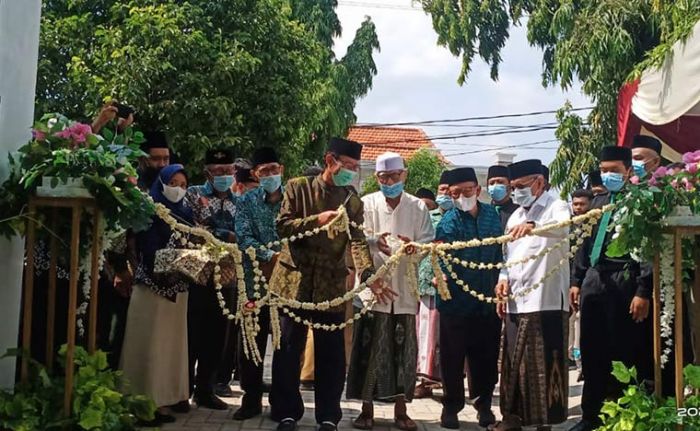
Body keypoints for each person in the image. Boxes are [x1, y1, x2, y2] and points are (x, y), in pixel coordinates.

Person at [270, 137, 395, 431]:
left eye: (355, 167)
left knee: (332, 356)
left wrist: (368, 277)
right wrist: (317, 220)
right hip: (294, 283)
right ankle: (286, 412)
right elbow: (283, 227)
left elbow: (359, 242)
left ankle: (328, 417)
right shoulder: (297, 187)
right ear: (330, 161)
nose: (351, 172)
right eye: (347, 165)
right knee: (288, 349)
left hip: (331, 287)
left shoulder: (352, 200)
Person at [346, 152, 434, 431]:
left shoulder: (417, 207)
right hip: (374, 289)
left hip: (405, 292)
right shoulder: (366, 203)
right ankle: (366, 410)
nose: (389, 182)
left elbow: (429, 242)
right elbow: (355, 239)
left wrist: (414, 247)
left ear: (404, 176)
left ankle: (401, 410)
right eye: (384, 177)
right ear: (377, 178)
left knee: (404, 354)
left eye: (395, 176)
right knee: (368, 350)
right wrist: (374, 243)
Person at [568, 147, 653, 431]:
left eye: (614, 170)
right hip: (595, 280)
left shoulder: (640, 201)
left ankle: (623, 415)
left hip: (625, 281)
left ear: (628, 171)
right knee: (592, 350)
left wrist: (643, 289)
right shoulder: (597, 202)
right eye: (604, 170)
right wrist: (576, 281)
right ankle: (590, 416)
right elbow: (583, 244)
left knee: (624, 349)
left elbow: (647, 247)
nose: (608, 175)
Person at [494, 159, 571, 431]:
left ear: (539, 182)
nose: (515, 193)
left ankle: (545, 423)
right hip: (516, 300)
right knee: (513, 362)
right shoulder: (515, 216)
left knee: (543, 363)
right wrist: (502, 280)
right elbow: (507, 256)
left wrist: (535, 226)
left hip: (546, 300)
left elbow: (564, 227)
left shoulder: (557, 206)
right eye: (513, 188)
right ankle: (512, 418)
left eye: (520, 186)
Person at [120, 164, 193, 426]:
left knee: (168, 350)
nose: (179, 189)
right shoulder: (148, 211)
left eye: (183, 185)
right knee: (148, 348)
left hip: (177, 291)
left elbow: (195, 241)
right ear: (162, 183)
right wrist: (189, 260)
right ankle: (140, 404)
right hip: (151, 289)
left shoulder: (186, 212)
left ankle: (163, 401)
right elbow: (148, 253)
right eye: (173, 182)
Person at [434, 167, 503, 429]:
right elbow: (441, 259)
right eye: (456, 193)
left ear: (478, 190)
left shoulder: (493, 218)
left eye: (467, 191)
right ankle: (451, 407)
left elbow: (500, 252)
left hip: (487, 301)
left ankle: (484, 406)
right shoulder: (448, 222)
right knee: (452, 358)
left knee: (485, 357)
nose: (462, 196)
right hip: (455, 302)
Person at [233, 147, 285, 420]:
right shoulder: (246, 200)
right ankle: (250, 399)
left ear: (282, 170)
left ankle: (281, 402)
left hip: (287, 285)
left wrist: (283, 259)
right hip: (253, 282)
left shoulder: (294, 200)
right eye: (263, 172)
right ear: (255, 174)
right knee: (250, 342)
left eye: (273, 170)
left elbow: (300, 232)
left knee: (283, 345)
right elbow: (243, 237)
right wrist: (270, 256)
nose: (269, 175)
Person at [185, 148, 238, 410]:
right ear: (207, 172)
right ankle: (182, 389)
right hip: (197, 276)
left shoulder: (239, 201)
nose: (223, 176)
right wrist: (227, 237)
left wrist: (227, 237)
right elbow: (195, 229)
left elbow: (244, 232)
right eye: (218, 172)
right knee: (191, 334)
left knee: (217, 337)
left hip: (226, 278)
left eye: (228, 171)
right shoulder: (194, 194)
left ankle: (205, 389)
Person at [414, 174, 451, 399]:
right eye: (442, 189)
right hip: (427, 283)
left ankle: (449, 382)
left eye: (449, 189)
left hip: (454, 285)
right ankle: (423, 381)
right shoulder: (429, 217)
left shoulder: (461, 217)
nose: (445, 193)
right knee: (425, 334)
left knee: (447, 335)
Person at [568, 189, 593, 382]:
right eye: (575, 204)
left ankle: (584, 365)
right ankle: (576, 361)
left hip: (588, 285)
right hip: (567, 285)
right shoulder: (567, 226)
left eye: (582, 204)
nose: (578, 208)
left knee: (582, 326)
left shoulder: (594, 226)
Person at [486, 165, 519, 230]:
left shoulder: (519, 212)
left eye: (500, 182)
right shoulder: (483, 212)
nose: (495, 186)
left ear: (510, 186)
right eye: (492, 183)